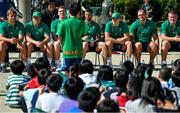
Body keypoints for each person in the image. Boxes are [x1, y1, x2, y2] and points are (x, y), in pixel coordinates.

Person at [56, 2, 87, 72]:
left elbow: (59, 36)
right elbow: (83, 35)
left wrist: (62, 45)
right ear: (78, 12)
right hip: (78, 51)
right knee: (78, 71)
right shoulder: (81, 23)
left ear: (69, 11)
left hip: (67, 50)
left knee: (67, 71)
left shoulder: (63, 23)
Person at [0, 8, 27, 72]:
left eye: (14, 16)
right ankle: (2, 65)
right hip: (7, 43)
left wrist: (16, 40)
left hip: (16, 43)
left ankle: (23, 65)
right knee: (1, 43)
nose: (13, 17)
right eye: (11, 16)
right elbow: (1, 37)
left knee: (23, 44)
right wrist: (10, 40)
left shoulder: (20, 25)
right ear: (7, 16)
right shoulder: (3, 25)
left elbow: (21, 37)